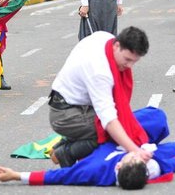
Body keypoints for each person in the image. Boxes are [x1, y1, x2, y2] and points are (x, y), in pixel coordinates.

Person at [0, 107, 175, 189]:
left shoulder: (93, 171)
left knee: (90, 137)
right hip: (130, 138)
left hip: (102, 142)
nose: (134, 157)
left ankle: (65, 151)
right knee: (161, 121)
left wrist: (15, 175)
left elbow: (54, 177)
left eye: (130, 159)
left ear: (118, 167)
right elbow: (171, 164)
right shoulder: (149, 167)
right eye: (138, 159)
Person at [47, 27, 151, 168]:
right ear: (117, 45)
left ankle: (67, 141)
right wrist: (135, 150)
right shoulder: (100, 72)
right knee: (111, 134)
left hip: (75, 104)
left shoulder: (104, 37)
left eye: (134, 61)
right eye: (127, 59)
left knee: (126, 124)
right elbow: (108, 119)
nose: (129, 66)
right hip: (65, 115)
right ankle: (66, 152)